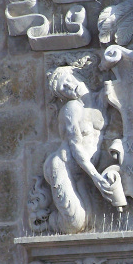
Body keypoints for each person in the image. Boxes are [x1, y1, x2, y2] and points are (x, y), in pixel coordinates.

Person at [42, 65, 117, 232]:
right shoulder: (72, 108)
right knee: (75, 224)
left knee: (91, 223)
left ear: (76, 74)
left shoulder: (99, 99)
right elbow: (75, 146)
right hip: (63, 166)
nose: (69, 87)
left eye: (68, 80)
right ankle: (45, 220)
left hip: (83, 172)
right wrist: (96, 177)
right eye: (63, 89)